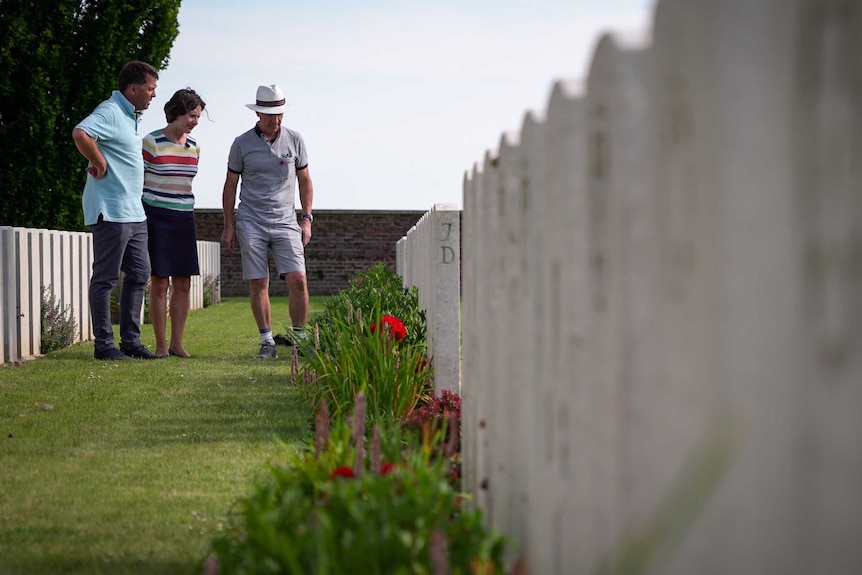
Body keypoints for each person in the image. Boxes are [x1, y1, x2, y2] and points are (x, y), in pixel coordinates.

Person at [72, 61, 162, 360]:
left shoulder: (130, 116)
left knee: (139, 274)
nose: (153, 95)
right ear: (133, 88)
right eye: (150, 89)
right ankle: (104, 345)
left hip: (134, 212)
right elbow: (81, 133)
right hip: (110, 211)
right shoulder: (111, 111)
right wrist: (99, 162)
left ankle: (131, 342)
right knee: (106, 278)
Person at [220, 84, 315, 359]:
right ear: (258, 113)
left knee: (298, 279)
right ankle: (267, 342)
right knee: (259, 281)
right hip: (251, 220)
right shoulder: (241, 143)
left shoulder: (295, 139)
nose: (276, 119)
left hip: (286, 220)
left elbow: (305, 180)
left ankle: (299, 338)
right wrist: (229, 225)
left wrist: (306, 219)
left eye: (280, 114)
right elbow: (230, 185)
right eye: (270, 114)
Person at [142, 88, 207, 358]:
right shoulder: (151, 142)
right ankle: (160, 346)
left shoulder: (195, 147)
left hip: (183, 218)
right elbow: (138, 181)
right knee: (159, 283)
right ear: (177, 112)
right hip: (155, 217)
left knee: (183, 283)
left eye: (198, 117)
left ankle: (177, 344)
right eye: (192, 116)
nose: (195, 122)